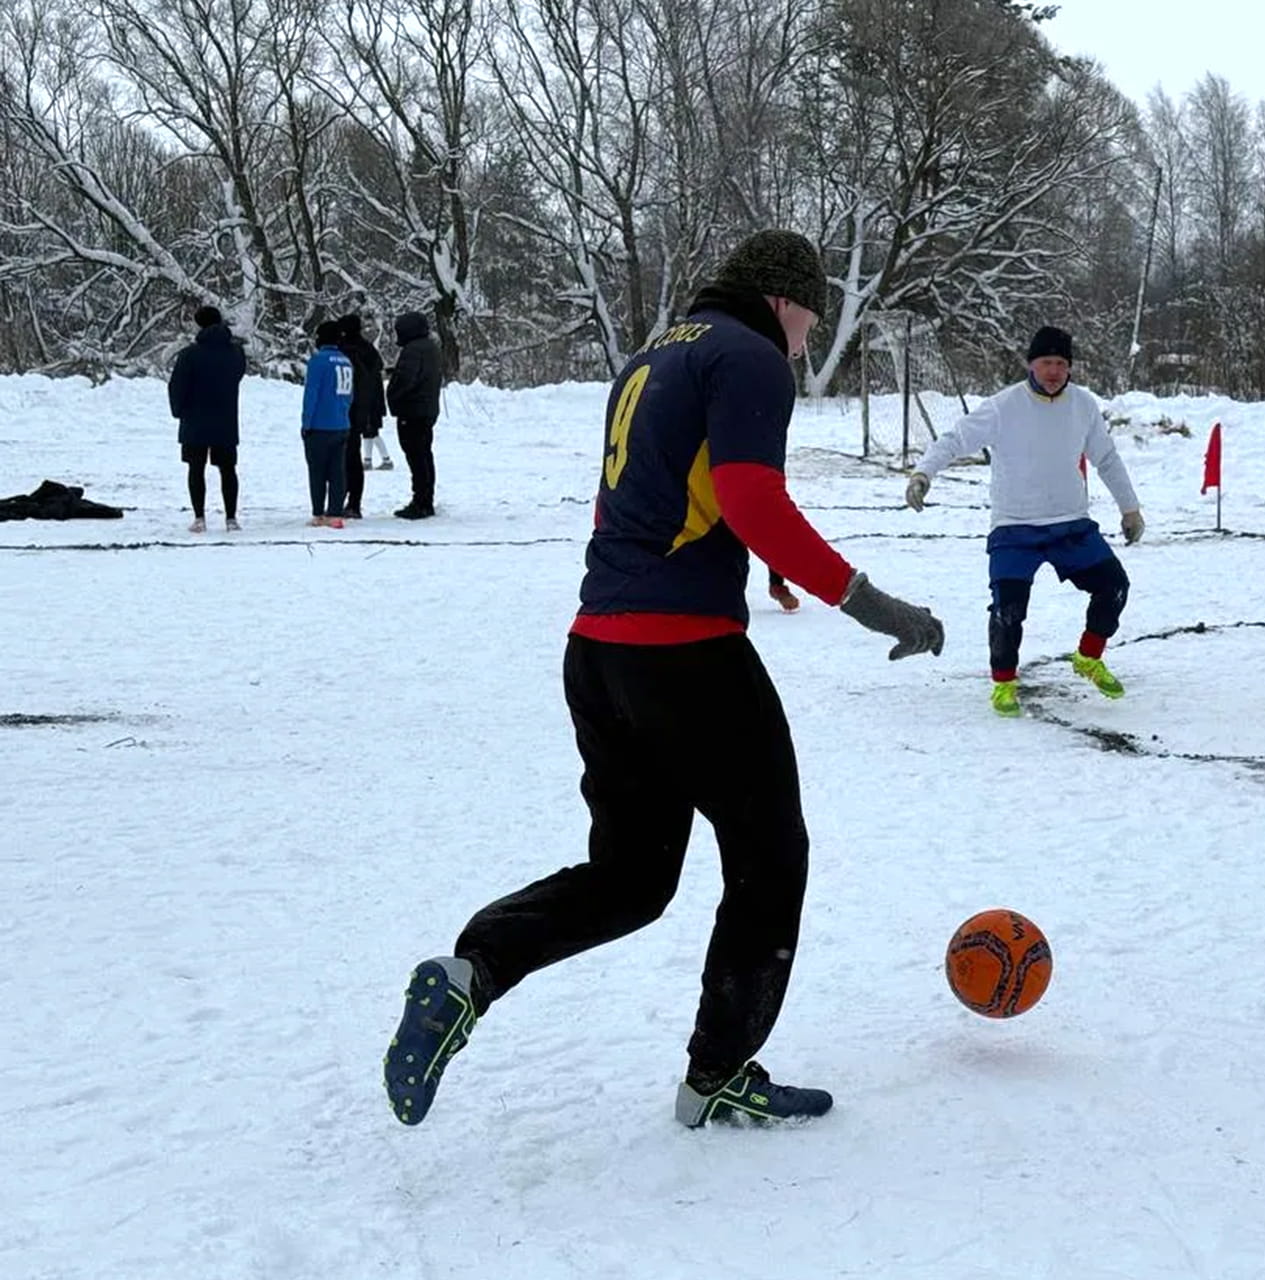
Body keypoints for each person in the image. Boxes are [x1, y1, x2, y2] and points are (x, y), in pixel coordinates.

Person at [385, 229, 944, 1131]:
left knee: (634, 877)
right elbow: (754, 498)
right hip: (687, 656)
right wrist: (874, 605)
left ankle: (471, 971)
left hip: (599, 651)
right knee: (770, 858)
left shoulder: (654, 358)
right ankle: (719, 1072)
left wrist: (757, 560)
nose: (809, 334)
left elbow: (671, 497)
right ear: (781, 298)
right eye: (811, 312)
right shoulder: (752, 357)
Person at [904, 324, 1144, 718]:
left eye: (1061, 364)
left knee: (1115, 586)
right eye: (1046, 362)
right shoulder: (1004, 406)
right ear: (1031, 364)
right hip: (1015, 528)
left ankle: (1089, 657)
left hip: (1070, 524)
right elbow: (953, 440)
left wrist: (1129, 509)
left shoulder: (1083, 405)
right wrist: (923, 474)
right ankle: (1003, 683)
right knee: (1008, 608)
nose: (1054, 371)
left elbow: (1107, 459)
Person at [168, 304, 247, 533]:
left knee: (196, 468)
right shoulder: (236, 353)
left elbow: (177, 386)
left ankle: (199, 517)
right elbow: (237, 375)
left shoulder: (189, 354)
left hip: (195, 418)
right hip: (226, 417)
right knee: (228, 469)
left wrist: (178, 410)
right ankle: (231, 517)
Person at [385, 311, 444, 519]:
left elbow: (406, 380)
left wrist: (392, 394)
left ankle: (421, 502)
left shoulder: (412, 350)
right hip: (426, 409)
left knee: (416, 456)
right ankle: (426, 498)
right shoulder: (430, 347)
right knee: (424, 455)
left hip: (412, 410)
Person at [301, 321, 355, 528]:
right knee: (337, 471)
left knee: (317, 471)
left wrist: (306, 422)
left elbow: (311, 394)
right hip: (342, 423)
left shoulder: (318, 361)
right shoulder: (345, 361)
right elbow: (350, 394)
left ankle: (318, 513)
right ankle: (335, 513)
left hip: (320, 424)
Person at [336, 313, 388, 518]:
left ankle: (342, 500)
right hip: (365, 410)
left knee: (343, 457)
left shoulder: (344, 352)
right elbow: (374, 382)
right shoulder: (369, 350)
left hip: (347, 410)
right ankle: (353, 503)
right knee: (353, 456)